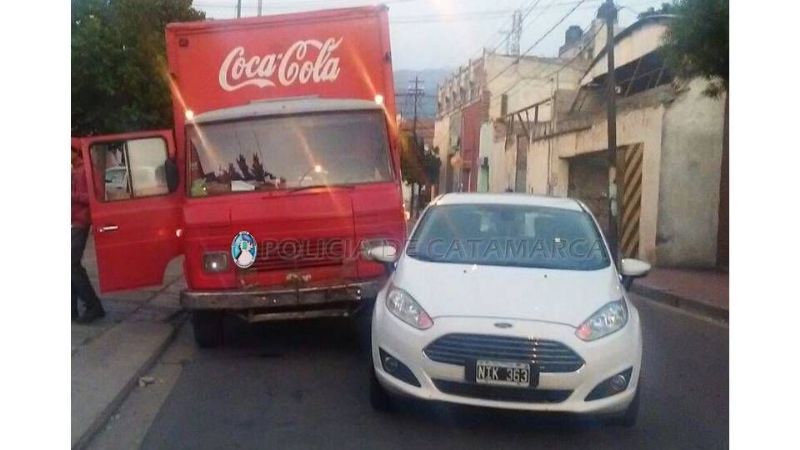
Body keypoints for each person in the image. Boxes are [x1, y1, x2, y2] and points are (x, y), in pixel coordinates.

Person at [72, 147, 105, 323]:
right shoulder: (75, 169)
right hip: (74, 221)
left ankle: (93, 305)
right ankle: (73, 309)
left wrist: (72, 196)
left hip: (80, 221)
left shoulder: (86, 170)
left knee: (72, 264)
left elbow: (94, 196)